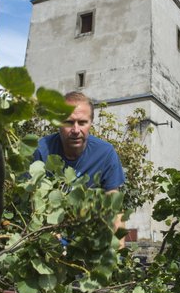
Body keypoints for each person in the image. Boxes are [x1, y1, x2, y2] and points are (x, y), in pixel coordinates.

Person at [32, 91, 126, 239]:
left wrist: (117, 255)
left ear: (90, 123)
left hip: (89, 237)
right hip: (48, 234)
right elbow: (32, 206)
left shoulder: (106, 153)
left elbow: (114, 210)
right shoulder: (41, 151)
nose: (76, 130)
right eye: (69, 122)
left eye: (82, 123)